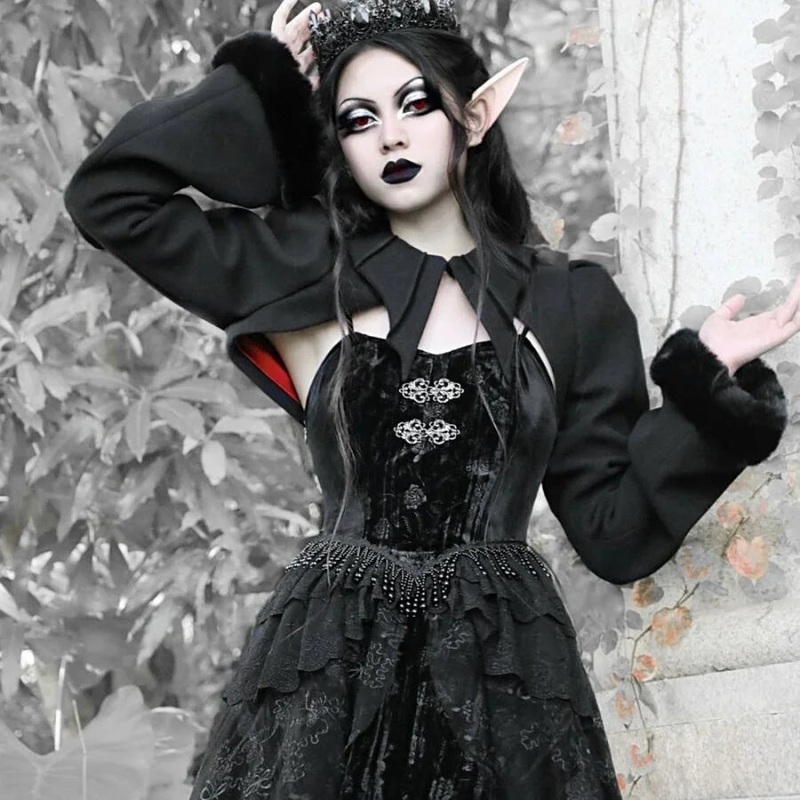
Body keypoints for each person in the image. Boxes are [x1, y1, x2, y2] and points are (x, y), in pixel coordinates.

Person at [64, 0, 799, 796]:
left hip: (508, 685)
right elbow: (111, 197)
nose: (390, 136)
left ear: (474, 116)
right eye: (358, 119)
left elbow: (616, 535)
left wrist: (707, 387)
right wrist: (262, 87)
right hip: (327, 679)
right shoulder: (302, 267)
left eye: (415, 105)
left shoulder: (570, 302)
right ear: (338, 142)